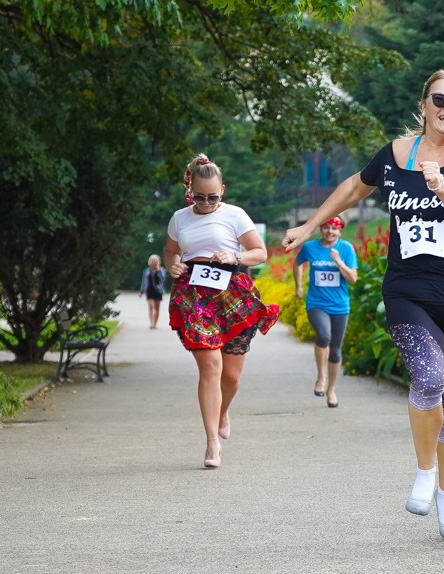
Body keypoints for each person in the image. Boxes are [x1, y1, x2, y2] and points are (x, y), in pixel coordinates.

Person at [282, 69, 444, 542]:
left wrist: (441, 187)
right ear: (424, 104)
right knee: (429, 377)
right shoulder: (396, 153)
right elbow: (351, 188)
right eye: (441, 99)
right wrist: (309, 226)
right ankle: (425, 471)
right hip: (407, 291)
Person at [165, 154, 280, 468]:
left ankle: (223, 410)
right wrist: (172, 265)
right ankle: (212, 443)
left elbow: (260, 253)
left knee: (230, 377)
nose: (206, 202)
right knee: (211, 368)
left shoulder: (235, 215)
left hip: (232, 294)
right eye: (199, 197)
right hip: (194, 298)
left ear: (223, 190)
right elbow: (171, 252)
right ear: (190, 190)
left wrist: (234, 255)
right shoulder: (179, 218)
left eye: (212, 197)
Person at [293, 214, 358, 407]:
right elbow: (297, 263)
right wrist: (298, 286)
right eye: (327, 227)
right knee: (323, 336)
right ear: (321, 229)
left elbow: (353, 279)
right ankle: (321, 378)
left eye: (335, 228)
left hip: (339, 306)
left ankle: (331, 390)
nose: (330, 231)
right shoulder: (310, 247)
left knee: (336, 350)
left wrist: (339, 261)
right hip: (316, 303)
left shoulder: (346, 248)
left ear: (340, 230)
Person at [139, 254, 167, 329]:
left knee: (157, 308)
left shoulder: (162, 270)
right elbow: (144, 281)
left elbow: (163, 279)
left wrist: (158, 272)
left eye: (155, 260)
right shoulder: (147, 271)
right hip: (149, 290)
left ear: (158, 261)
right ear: (150, 262)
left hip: (158, 290)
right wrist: (142, 291)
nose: (154, 262)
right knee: (151, 307)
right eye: (153, 260)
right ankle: (151, 323)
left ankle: (155, 323)